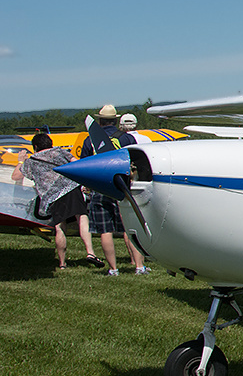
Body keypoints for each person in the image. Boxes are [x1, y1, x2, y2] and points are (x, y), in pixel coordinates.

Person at [11, 133, 100, 269]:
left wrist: (21, 161)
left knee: (60, 227)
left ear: (35, 146)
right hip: (71, 188)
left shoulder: (32, 161)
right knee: (82, 217)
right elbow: (77, 163)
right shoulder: (60, 151)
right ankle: (90, 252)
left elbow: (15, 176)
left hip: (52, 196)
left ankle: (62, 263)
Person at [80, 105, 148, 276]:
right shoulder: (126, 138)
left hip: (100, 186)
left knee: (105, 230)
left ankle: (113, 269)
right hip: (123, 186)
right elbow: (135, 160)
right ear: (116, 120)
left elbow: (85, 165)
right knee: (130, 227)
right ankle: (139, 266)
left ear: (100, 121)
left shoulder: (90, 140)